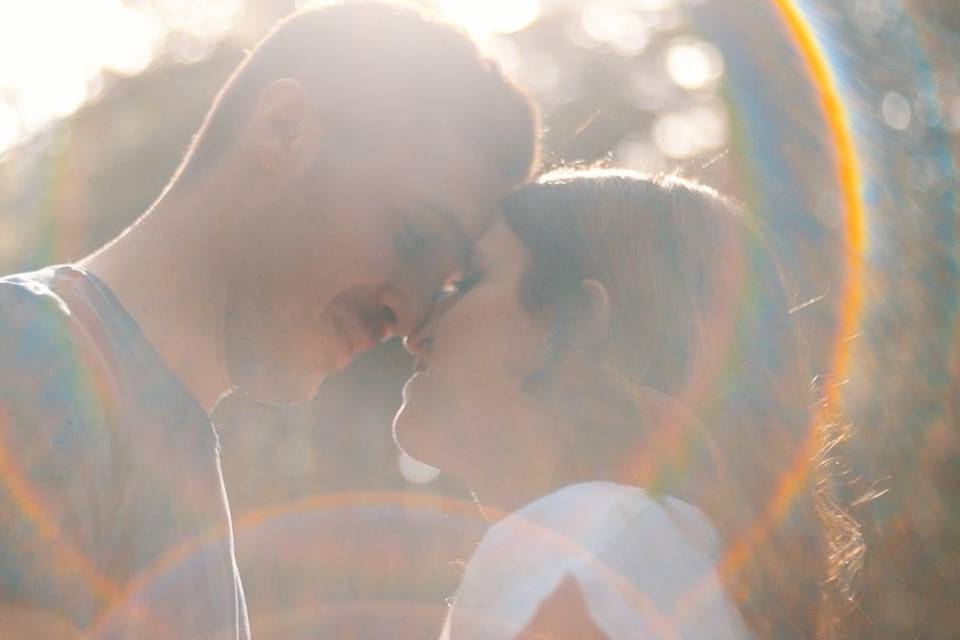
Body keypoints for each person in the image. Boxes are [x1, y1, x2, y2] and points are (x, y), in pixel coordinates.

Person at [0, 3, 538, 637]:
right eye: (414, 237)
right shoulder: (30, 349)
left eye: (446, 284)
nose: (411, 316)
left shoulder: (180, 463)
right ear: (284, 130)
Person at [394, 169, 862, 639]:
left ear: (575, 325)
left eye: (469, 281)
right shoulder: (658, 558)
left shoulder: (579, 540)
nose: (416, 332)